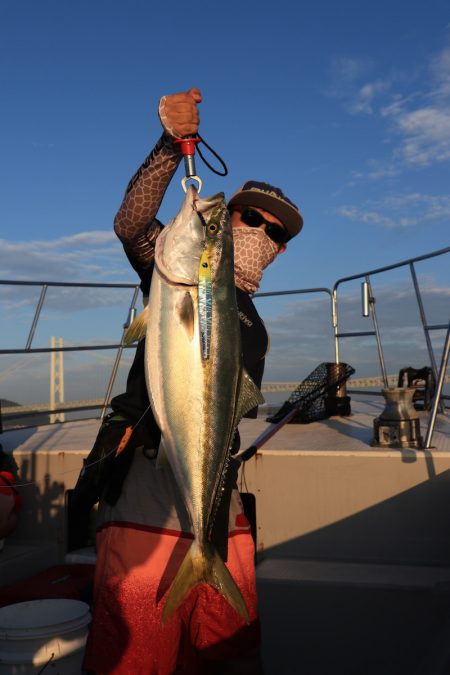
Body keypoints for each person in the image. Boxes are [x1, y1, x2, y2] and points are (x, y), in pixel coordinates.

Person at [72, 87, 303, 675]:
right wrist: (171, 149)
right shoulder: (176, 269)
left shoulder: (253, 322)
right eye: (248, 217)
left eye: (277, 233)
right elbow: (131, 222)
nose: (262, 233)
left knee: (222, 649)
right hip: (151, 485)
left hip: (219, 501)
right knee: (137, 650)